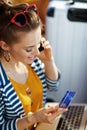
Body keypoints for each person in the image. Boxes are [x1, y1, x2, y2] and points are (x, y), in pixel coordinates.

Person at [0, 1, 67, 130]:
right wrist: (34, 118)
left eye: (38, 44)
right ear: (5, 46)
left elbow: (54, 86)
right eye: (29, 49)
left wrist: (49, 61)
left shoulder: (32, 61)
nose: (37, 53)